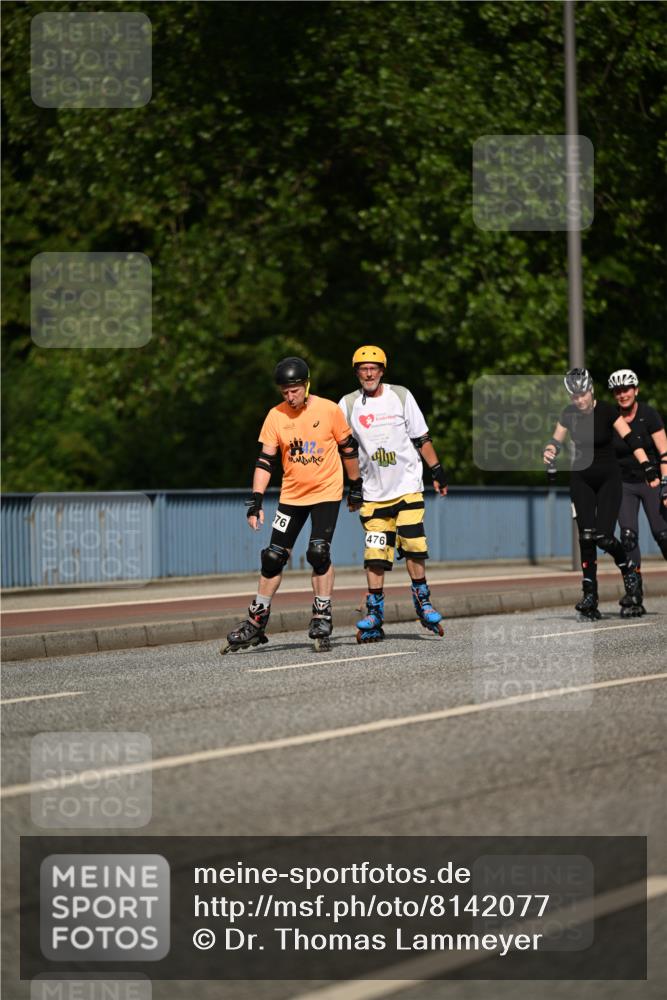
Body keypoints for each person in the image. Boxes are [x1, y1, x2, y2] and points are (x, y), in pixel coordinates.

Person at [222, 357, 362, 654]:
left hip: (325, 492)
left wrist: (356, 486)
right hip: (292, 496)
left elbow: (349, 449)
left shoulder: (328, 410)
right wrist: (256, 500)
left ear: (306, 385)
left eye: (295, 390)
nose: (290, 396)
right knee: (273, 557)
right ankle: (256, 620)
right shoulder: (275, 416)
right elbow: (265, 460)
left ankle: (322, 615)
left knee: (318, 552)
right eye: (285, 391)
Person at [339, 345, 447, 642]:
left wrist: (437, 470)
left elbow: (421, 437)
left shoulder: (401, 395)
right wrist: (353, 486)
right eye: (363, 369)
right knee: (375, 554)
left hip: (407, 488)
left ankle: (423, 602)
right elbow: (343, 447)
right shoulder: (347, 404)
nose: (368, 373)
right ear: (356, 373)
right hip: (373, 494)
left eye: (373, 368)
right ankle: (374, 613)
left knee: (414, 544)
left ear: (382, 371)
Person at [543, 368, 660, 620]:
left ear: (591, 389)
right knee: (586, 537)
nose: (580, 400)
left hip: (609, 479)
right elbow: (556, 440)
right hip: (581, 479)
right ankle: (589, 596)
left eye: (583, 394)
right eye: (574, 396)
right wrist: (550, 451)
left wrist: (647, 465)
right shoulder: (568, 414)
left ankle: (628, 570)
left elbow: (631, 439)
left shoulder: (607, 411)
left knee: (603, 537)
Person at [608, 370, 667, 610]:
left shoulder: (648, 415)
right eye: (618, 391)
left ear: (636, 390)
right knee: (628, 537)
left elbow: (664, 452)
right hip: (623, 484)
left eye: (626, 389)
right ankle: (634, 593)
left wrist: (666, 485)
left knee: (663, 535)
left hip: (651, 481)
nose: (623, 394)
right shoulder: (611, 419)